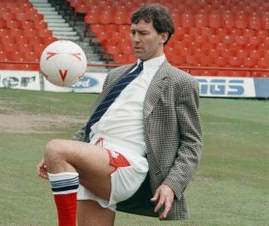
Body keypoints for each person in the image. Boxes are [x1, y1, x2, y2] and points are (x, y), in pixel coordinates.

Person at [37, 3, 202, 226]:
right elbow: (94, 125)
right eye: (133, 32)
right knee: (58, 152)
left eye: (143, 33)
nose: (135, 39)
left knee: (55, 147)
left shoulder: (180, 82)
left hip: (126, 163)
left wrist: (172, 184)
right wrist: (65, 155)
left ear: (163, 36)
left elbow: (192, 143)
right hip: (96, 156)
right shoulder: (116, 75)